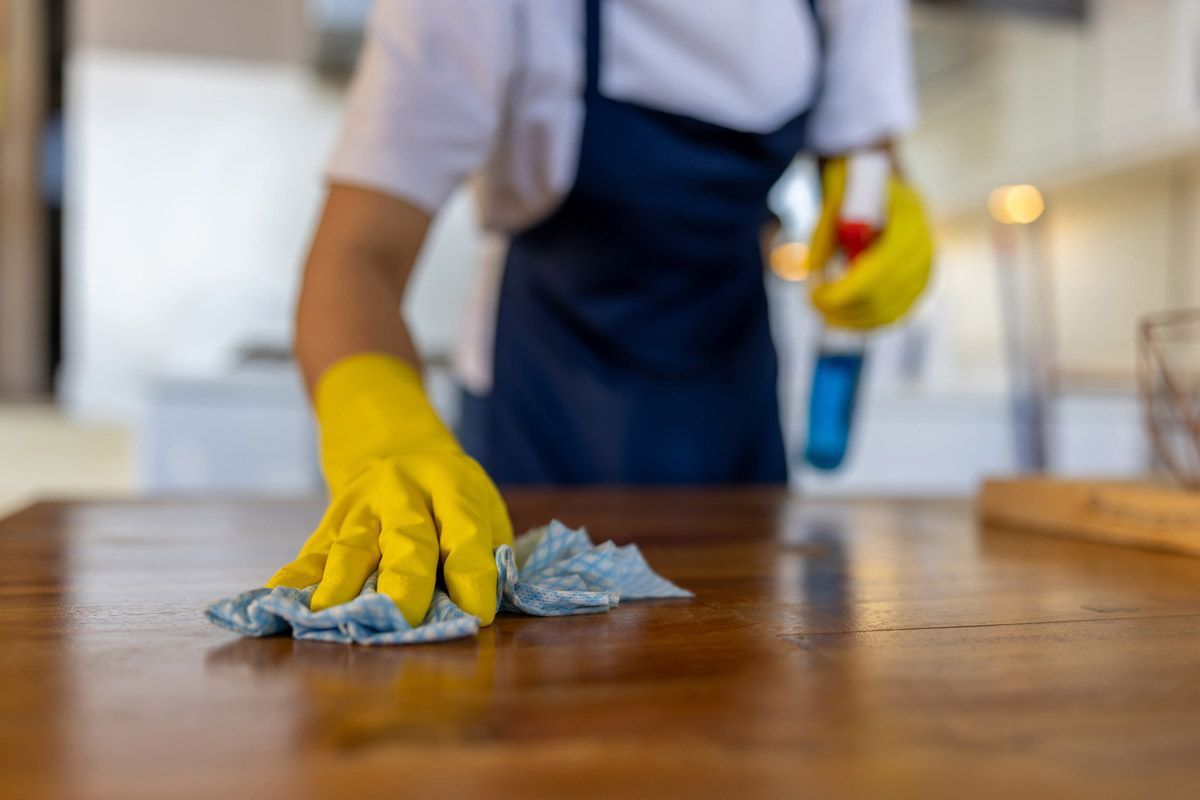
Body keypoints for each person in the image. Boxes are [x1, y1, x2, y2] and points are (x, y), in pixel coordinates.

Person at [266, 0, 934, 627]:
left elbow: (867, 157)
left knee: (746, 656)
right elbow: (357, 257)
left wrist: (884, 214)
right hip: (543, 386)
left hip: (732, 386)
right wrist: (385, 434)